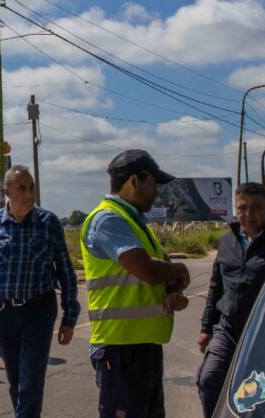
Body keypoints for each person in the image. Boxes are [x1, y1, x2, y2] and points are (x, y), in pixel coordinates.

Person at [0, 166, 79, 418]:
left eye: (32, 187)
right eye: (22, 188)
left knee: (31, 383)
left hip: (39, 311)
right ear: (7, 192)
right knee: (16, 382)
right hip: (4, 313)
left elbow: (66, 272)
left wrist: (70, 317)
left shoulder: (48, 223)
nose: (29, 194)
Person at [82, 149, 191, 418]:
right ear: (134, 181)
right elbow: (148, 269)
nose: (157, 192)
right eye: (153, 183)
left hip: (143, 347)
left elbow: (163, 273)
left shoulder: (134, 221)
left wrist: (174, 290)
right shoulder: (108, 219)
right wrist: (180, 268)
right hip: (120, 349)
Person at [195, 182, 265, 417]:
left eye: (255, 208)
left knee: (262, 392)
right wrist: (206, 327)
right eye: (242, 208)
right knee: (208, 380)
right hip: (228, 329)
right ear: (235, 208)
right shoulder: (226, 242)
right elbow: (215, 286)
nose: (248, 215)